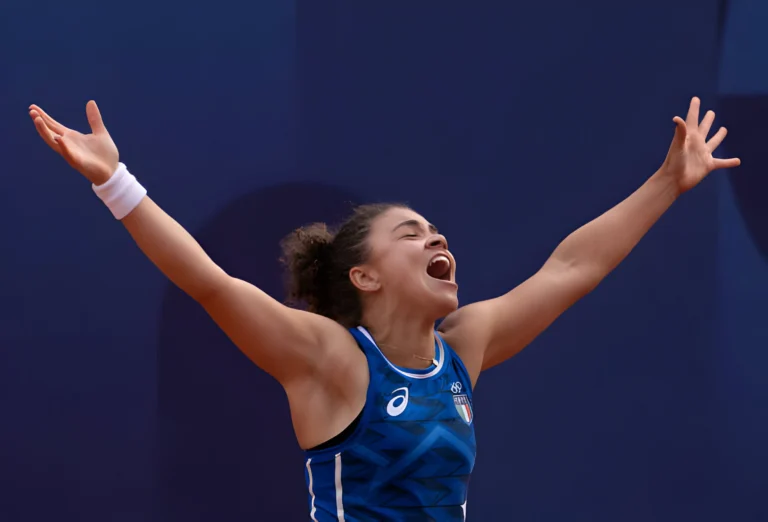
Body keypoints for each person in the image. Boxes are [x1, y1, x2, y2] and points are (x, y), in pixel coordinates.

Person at [28, 97, 739, 521]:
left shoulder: (464, 348)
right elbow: (209, 281)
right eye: (411, 233)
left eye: (436, 230)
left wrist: (669, 182)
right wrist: (114, 181)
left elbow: (573, 267)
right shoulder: (332, 363)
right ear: (364, 275)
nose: (436, 237)